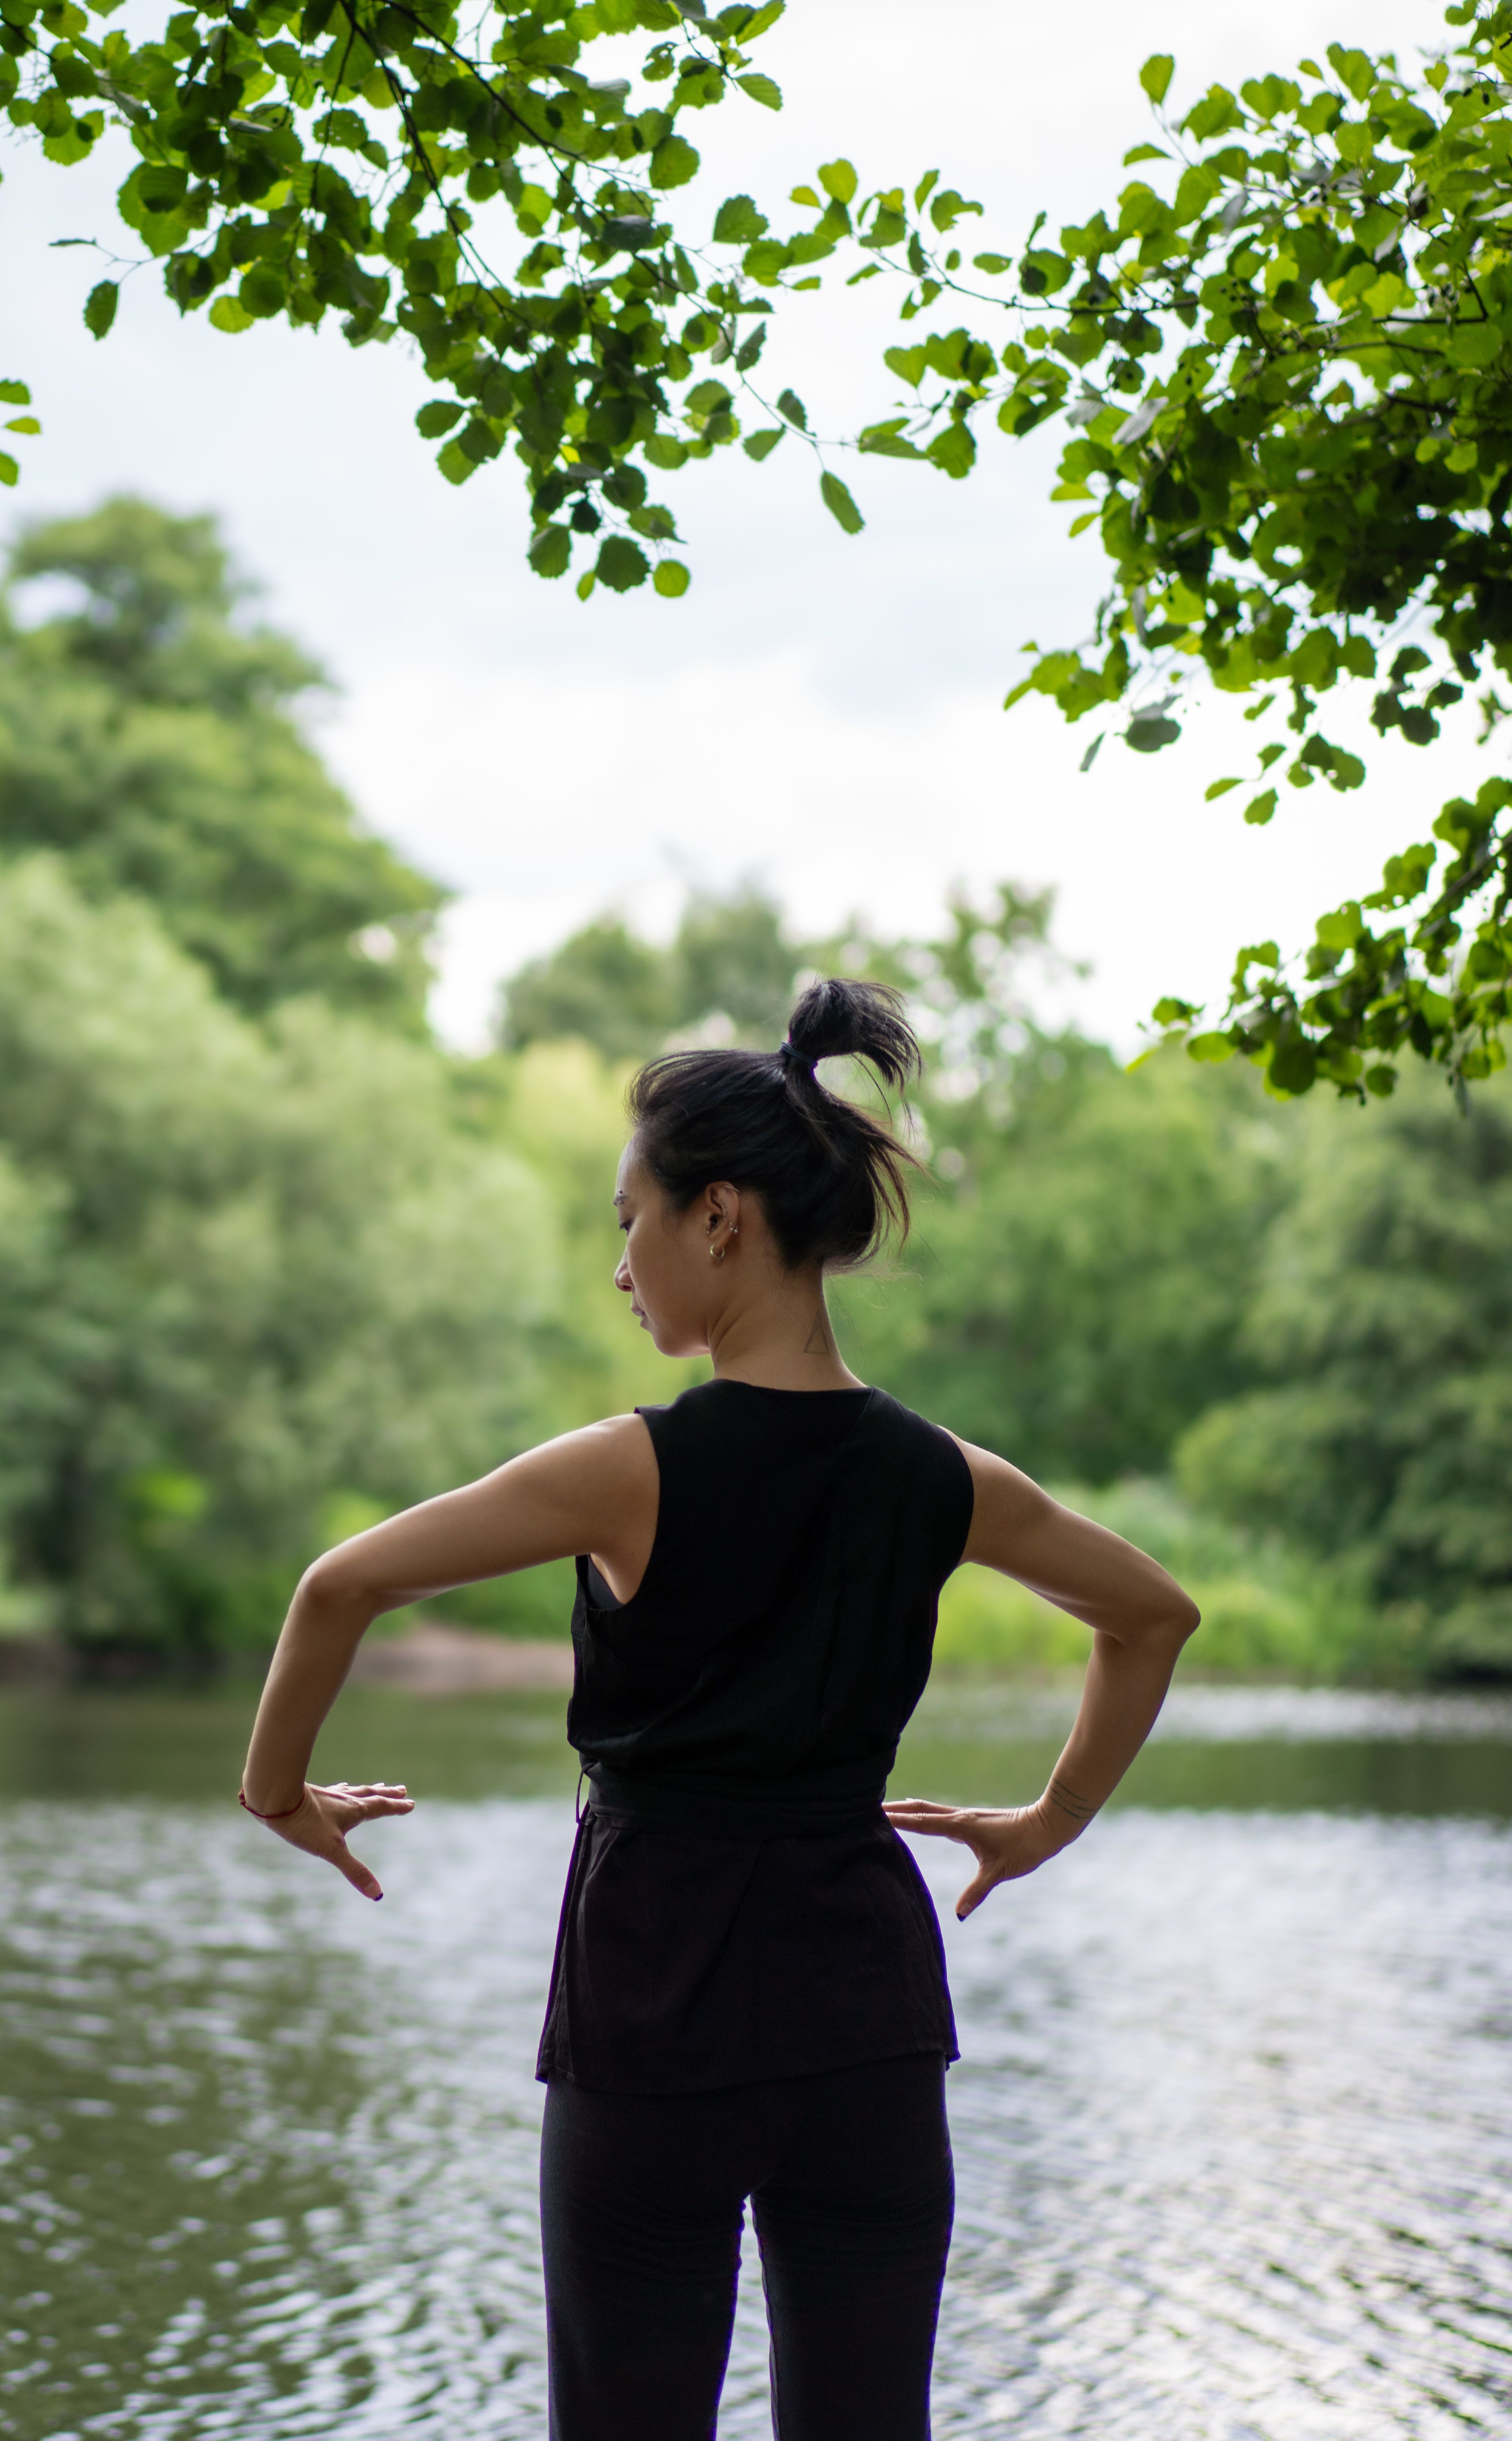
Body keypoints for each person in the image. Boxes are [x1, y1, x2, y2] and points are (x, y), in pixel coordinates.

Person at [238, 977, 1200, 2441]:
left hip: (652, 2005)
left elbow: (337, 1588)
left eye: (629, 1219)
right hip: (868, 2012)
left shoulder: (627, 1470)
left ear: (721, 1217)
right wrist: (1047, 1821)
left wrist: (276, 1797)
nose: (621, 1263)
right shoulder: (944, 1475)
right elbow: (1151, 1616)